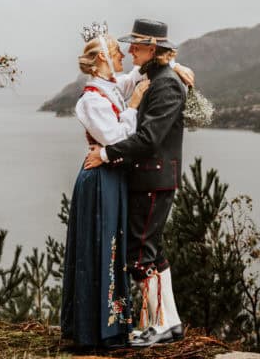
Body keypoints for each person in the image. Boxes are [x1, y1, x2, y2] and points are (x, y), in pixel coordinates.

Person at [61, 22, 193, 349]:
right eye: (124, 47)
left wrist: (105, 154)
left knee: (140, 255)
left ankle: (160, 326)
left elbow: (147, 139)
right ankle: (169, 323)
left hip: (151, 177)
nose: (129, 50)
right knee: (150, 252)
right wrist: (172, 66)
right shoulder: (142, 82)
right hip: (143, 177)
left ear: (152, 48)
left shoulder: (164, 84)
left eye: (136, 45)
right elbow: (133, 83)